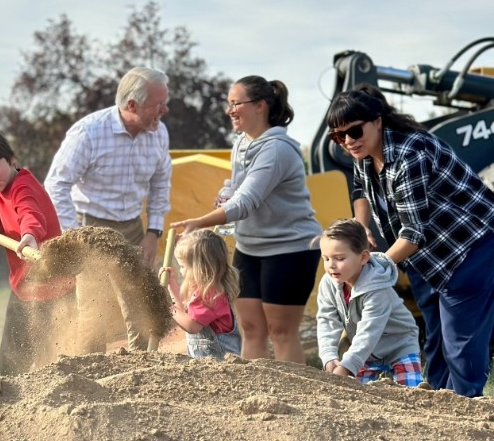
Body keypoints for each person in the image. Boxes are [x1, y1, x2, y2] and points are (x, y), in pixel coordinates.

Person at [326, 87, 494, 396]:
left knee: (460, 343)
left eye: (354, 130)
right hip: (428, 257)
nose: (348, 141)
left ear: (378, 121)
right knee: (436, 338)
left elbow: (413, 233)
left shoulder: (408, 155)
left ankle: (468, 412)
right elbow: (359, 191)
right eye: (339, 137)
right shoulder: (365, 155)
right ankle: (440, 405)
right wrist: (360, 229)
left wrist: (368, 266)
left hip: (472, 247)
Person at [171, 76, 321, 364]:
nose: (230, 111)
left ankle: (297, 395)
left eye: (236, 103)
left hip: (291, 248)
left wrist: (199, 222)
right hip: (250, 246)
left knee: (280, 330)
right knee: (251, 328)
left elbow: (247, 201)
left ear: (260, 106)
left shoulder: (277, 149)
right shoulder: (241, 143)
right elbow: (240, 191)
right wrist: (226, 196)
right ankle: (253, 391)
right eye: (229, 104)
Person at [44, 66, 172, 353]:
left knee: (141, 303)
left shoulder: (159, 133)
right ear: (131, 105)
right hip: (92, 228)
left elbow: (161, 183)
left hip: (133, 227)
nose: (164, 110)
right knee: (95, 311)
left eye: (166, 102)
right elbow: (56, 184)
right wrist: (75, 236)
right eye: (158, 104)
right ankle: (94, 379)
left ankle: (140, 373)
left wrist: (153, 232)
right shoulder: (88, 133)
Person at [0, 131, 77, 374]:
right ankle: (15, 406)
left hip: (54, 288)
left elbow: (30, 214)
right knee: (12, 360)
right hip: (24, 287)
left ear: (11, 159)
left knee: (54, 360)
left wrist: (30, 236)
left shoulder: (22, 186)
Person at [315, 219, 422, 387]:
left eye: (340, 258)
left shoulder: (376, 287)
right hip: (366, 353)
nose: (331, 266)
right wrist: (329, 357)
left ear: (363, 257)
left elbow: (369, 331)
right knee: (355, 397)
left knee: (412, 394)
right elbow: (327, 321)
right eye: (326, 258)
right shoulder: (328, 283)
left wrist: (347, 366)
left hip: (400, 347)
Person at [160, 229, 242, 359]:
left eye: (182, 266)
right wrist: (172, 284)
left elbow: (191, 326)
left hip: (221, 365)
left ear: (198, 268)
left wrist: (170, 309)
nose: (181, 270)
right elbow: (183, 312)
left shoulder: (211, 295)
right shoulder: (204, 289)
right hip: (204, 363)